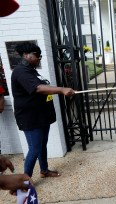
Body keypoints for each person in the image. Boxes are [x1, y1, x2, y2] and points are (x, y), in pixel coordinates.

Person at [11, 42, 75, 178]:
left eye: (40, 56)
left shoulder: (31, 71)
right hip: (30, 119)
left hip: (41, 117)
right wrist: (62, 90)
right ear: (26, 55)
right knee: (34, 149)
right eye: (37, 55)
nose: (39, 58)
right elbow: (38, 88)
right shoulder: (20, 72)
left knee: (42, 145)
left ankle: (44, 170)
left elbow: (42, 87)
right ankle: (25, 180)